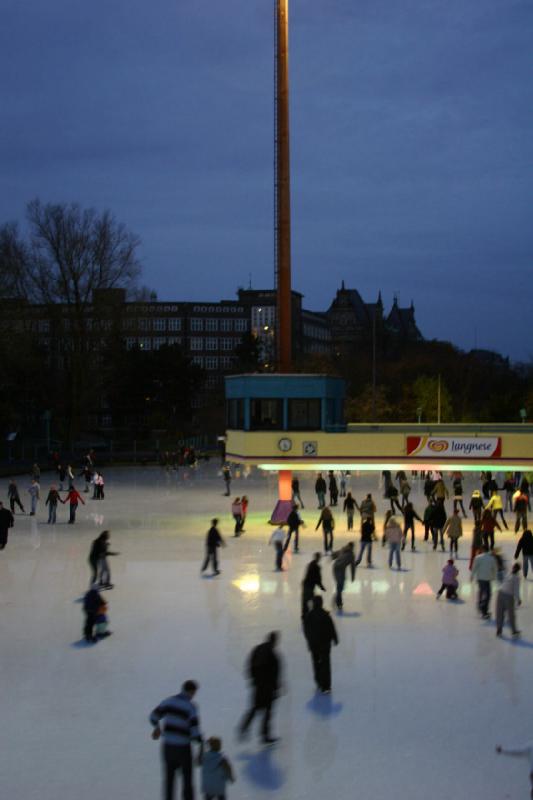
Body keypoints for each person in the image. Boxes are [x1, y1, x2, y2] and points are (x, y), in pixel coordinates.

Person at [150, 679, 203, 800]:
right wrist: (201, 743)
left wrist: (157, 727)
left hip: (168, 747)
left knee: (169, 781)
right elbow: (194, 731)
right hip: (183, 748)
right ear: (191, 691)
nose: (193, 696)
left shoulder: (168, 702)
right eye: (194, 693)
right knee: (187, 782)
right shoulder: (191, 707)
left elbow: (153, 716)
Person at [239, 632, 281, 745]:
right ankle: (265, 736)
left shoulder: (257, 649)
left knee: (255, 708)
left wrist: (253, 680)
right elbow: (275, 673)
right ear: (275, 641)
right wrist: (276, 688)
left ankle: (244, 726)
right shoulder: (273, 655)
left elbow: (250, 664)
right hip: (267, 688)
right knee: (267, 712)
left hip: (258, 686)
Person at [303, 596, 339, 693]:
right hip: (325, 644)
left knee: (316, 663)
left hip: (314, 645)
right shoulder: (325, 615)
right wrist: (335, 638)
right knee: (325, 664)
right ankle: (326, 686)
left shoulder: (309, 616)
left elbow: (306, 631)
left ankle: (319, 681)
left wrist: (309, 640)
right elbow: (331, 628)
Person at [496, 563, 521, 638]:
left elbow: (500, 579)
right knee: (510, 615)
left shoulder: (507, 574)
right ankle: (513, 631)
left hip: (500, 594)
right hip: (508, 596)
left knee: (500, 613)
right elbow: (516, 590)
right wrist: (518, 599)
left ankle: (499, 630)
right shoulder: (516, 578)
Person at [472, 545, 497, 619]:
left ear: (482, 549)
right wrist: (494, 577)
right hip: (487, 578)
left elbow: (474, 567)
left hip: (480, 578)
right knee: (488, 595)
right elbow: (495, 568)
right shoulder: (492, 558)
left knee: (482, 591)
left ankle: (480, 604)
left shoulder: (478, 557)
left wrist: (472, 575)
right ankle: (484, 609)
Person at [331, 542, 356, 611]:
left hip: (340, 569)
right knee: (340, 585)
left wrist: (353, 576)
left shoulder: (348, 553)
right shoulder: (347, 552)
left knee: (341, 586)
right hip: (337, 569)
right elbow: (336, 554)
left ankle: (337, 599)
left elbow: (352, 566)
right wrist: (332, 556)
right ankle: (339, 603)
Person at [301, 553, 326, 617]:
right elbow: (317, 579)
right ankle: (308, 615)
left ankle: (305, 614)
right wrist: (321, 587)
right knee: (310, 600)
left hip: (306, 584)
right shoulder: (316, 567)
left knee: (305, 600)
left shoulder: (311, 564)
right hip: (309, 586)